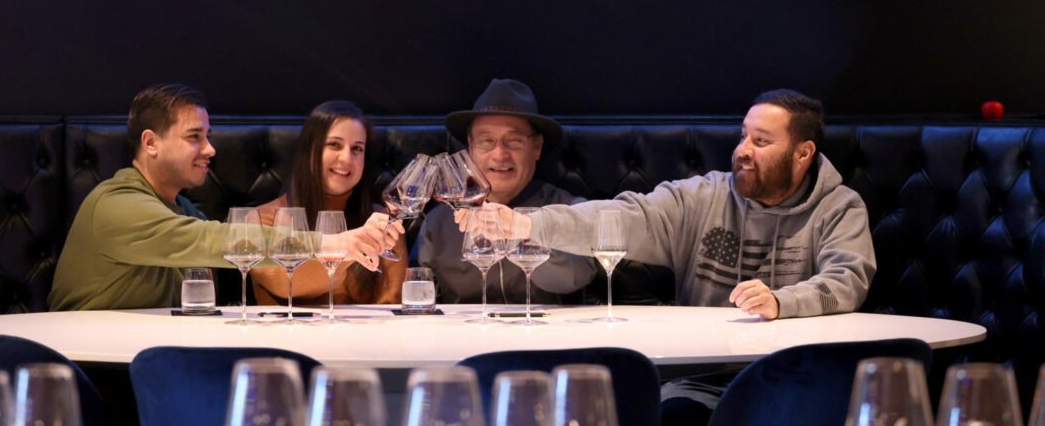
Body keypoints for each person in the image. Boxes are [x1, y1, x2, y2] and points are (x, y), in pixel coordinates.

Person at [465, 89, 876, 425]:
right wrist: (528, 224)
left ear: (803, 153)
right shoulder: (704, 197)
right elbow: (621, 217)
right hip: (702, 380)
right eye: (743, 136)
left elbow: (847, 280)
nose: (743, 150)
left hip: (798, 378)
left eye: (761, 141)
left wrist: (782, 302)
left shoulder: (839, 206)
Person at [48, 84, 394, 311]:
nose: (210, 149)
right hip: (84, 369)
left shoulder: (181, 209)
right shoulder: (115, 204)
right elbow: (216, 240)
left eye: (207, 136)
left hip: (139, 359)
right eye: (194, 137)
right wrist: (334, 244)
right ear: (151, 142)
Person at [415, 78, 597, 304]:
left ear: (537, 147)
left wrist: (522, 230)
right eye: (486, 140)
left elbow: (576, 277)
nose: (500, 154)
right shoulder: (438, 222)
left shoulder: (569, 210)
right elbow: (418, 295)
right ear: (470, 147)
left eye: (514, 140)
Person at [252, 101, 406, 306]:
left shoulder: (380, 220)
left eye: (357, 149)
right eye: (334, 145)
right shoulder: (262, 218)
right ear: (309, 151)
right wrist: (350, 247)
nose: (346, 158)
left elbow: (391, 303)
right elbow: (283, 282)